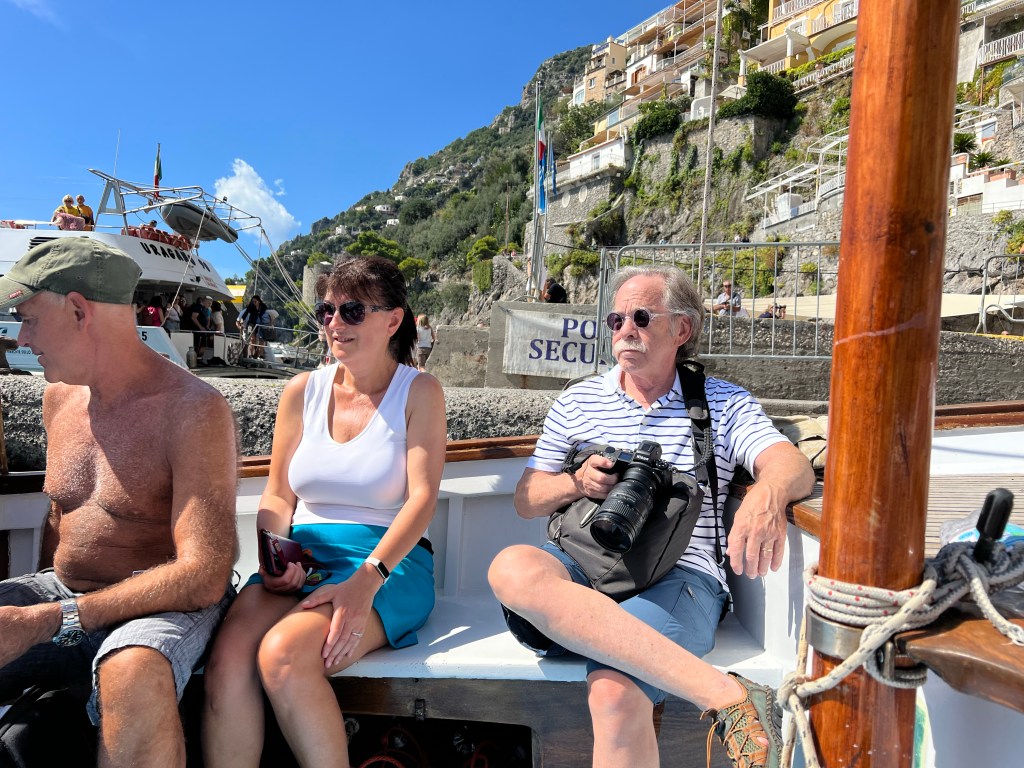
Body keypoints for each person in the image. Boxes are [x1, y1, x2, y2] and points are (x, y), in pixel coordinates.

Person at [488, 265, 814, 768]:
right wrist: (578, 482)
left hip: (682, 576)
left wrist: (767, 493)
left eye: (641, 317)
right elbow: (526, 499)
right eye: (616, 320)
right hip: (586, 564)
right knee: (511, 566)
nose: (625, 330)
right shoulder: (578, 401)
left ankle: (723, 697)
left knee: (614, 692)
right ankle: (727, 695)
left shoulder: (722, 403)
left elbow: (791, 464)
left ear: (682, 329)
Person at [0, 238, 237, 766]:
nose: (21, 337)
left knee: (132, 673)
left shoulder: (192, 409)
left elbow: (204, 575)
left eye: (29, 319)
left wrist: (48, 621)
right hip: (65, 595)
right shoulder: (59, 397)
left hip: (160, 605)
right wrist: (46, 612)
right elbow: (60, 520)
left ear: (78, 311)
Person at [203, 255, 447, 767]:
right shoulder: (302, 391)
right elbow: (278, 496)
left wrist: (366, 581)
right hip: (304, 558)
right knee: (226, 661)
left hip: (386, 562)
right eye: (326, 311)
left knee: (283, 655)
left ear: (393, 320)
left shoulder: (419, 392)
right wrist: (273, 557)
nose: (335, 323)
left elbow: (422, 498)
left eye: (352, 311)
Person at [237, 295, 267, 359]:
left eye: (255, 301)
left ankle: (258, 355)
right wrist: (241, 322)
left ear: (259, 301)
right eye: (253, 301)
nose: (254, 303)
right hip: (251, 324)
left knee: (260, 340)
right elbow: (244, 315)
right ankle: (251, 354)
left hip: (260, 324)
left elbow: (266, 314)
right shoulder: (251, 306)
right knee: (252, 339)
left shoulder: (263, 306)